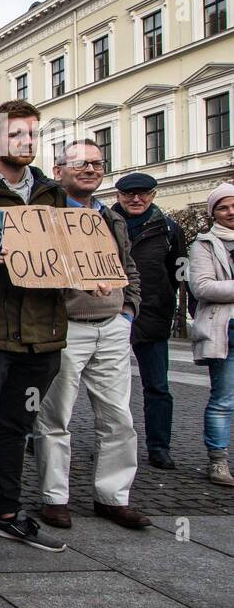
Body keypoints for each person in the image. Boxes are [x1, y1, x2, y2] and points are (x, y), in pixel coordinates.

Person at [0, 99, 68, 551]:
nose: (25, 143)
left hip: (40, 334)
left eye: (32, 135)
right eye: (15, 134)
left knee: (16, 427)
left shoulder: (51, 192)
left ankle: (6, 513)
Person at [33, 140, 148, 530]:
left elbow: (127, 264)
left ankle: (113, 497)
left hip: (112, 325)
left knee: (119, 418)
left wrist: (128, 310)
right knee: (55, 416)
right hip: (67, 326)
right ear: (59, 170)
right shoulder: (45, 214)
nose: (90, 169)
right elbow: (35, 268)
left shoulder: (111, 217)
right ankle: (54, 497)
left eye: (97, 163)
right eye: (80, 163)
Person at [112, 172, 184, 470]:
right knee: (109, 391)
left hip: (153, 315)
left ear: (153, 195)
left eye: (143, 193)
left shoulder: (169, 229)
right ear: (118, 196)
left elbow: (178, 272)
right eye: (130, 194)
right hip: (112, 313)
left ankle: (159, 447)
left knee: (157, 387)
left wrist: (171, 306)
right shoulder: (101, 224)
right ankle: (112, 446)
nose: (136, 199)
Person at [187, 182, 234, 488]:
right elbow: (202, 287)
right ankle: (217, 460)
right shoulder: (204, 245)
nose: (231, 212)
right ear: (213, 212)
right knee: (224, 399)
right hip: (226, 330)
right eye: (223, 207)